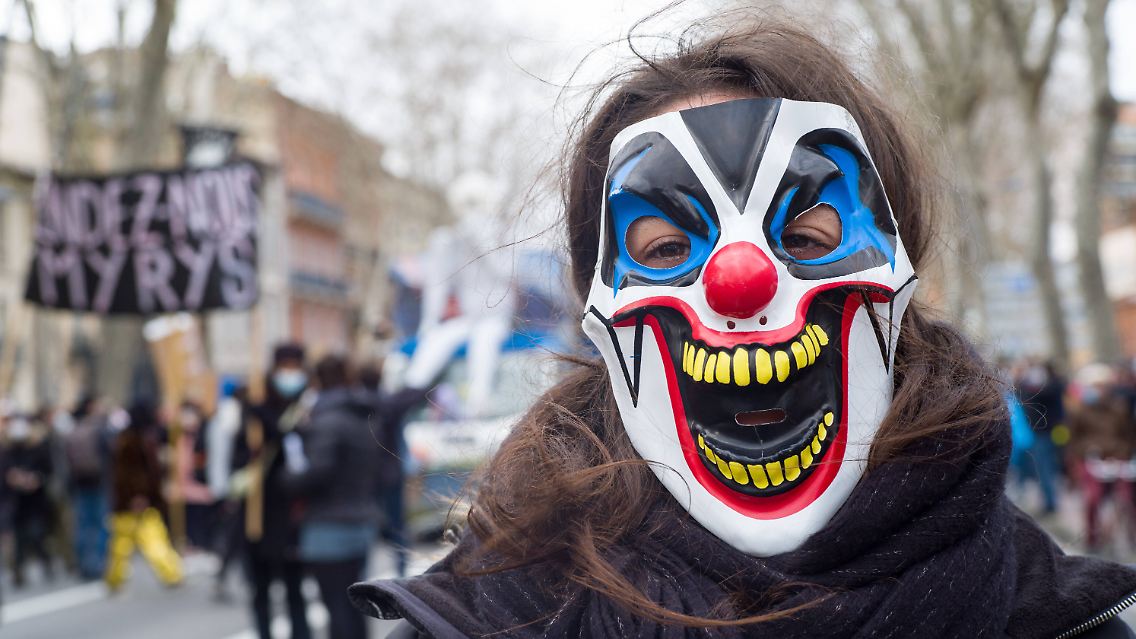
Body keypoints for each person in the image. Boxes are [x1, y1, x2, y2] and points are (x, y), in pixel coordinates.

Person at [347, 19, 1136, 638]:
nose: (740, 281)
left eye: (805, 238)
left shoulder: (1060, 619)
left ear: (899, 270)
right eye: (663, 250)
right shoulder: (485, 617)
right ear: (598, 307)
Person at [284, 355, 380, 639]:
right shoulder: (361, 414)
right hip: (360, 519)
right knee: (355, 607)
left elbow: (317, 472)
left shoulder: (327, 420)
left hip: (329, 526)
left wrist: (287, 479)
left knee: (337, 607)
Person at [232, 343, 311, 639]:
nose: (289, 374)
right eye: (284, 367)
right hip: (257, 514)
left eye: (295, 367)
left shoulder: (307, 405)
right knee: (260, 591)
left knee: (294, 591)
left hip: (292, 516)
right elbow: (239, 461)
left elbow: (299, 447)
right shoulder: (252, 409)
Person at [104, 400, 183, 591]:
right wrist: (138, 495)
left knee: (123, 544)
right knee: (149, 540)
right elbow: (131, 474)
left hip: (130, 501)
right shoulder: (134, 440)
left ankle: (115, 579)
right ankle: (170, 573)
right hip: (138, 501)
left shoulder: (131, 438)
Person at [1066, 364, 1136, 552]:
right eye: (1094, 386)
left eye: (1101, 386)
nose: (1098, 391)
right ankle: (1093, 538)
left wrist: (1120, 453)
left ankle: (1132, 537)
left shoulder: (1119, 409)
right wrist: (1088, 452)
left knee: (1127, 498)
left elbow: (1128, 437)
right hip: (1092, 460)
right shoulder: (1080, 411)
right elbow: (1074, 440)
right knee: (1093, 498)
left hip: (1118, 459)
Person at [1, 411, 55, 587]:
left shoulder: (37, 448)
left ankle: (46, 562)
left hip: (35, 501)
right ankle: (18, 572)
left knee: (37, 534)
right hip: (14, 502)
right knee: (18, 539)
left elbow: (48, 471)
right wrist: (13, 479)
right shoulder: (7, 451)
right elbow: (5, 473)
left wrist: (36, 479)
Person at [65, 396, 112, 580]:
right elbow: (110, 456)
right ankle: (99, 564)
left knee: (83, 525)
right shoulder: (100, 429)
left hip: (79, 484)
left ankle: (84, 564)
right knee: (100, 524)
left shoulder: (72, 431)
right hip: (99, 483)